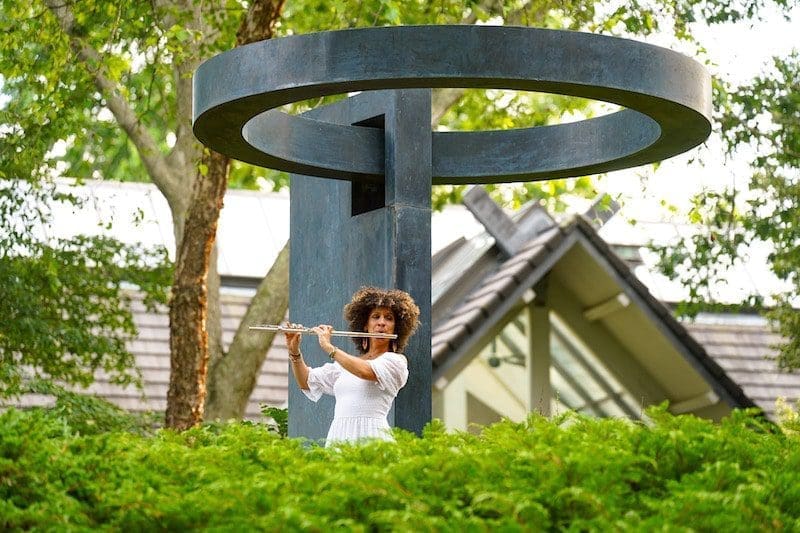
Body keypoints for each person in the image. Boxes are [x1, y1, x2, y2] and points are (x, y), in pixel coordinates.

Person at [284, 286, 420, 447]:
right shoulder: (344, 366)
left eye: (389, 318)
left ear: (395, 327)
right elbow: (306, 381)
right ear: (365, 325)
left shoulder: (396, 362)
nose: (382, 322)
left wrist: (329, 347)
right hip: (339, 436)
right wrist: (294, 351)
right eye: (376, 317)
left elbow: (364, 371)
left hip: (373, 437)